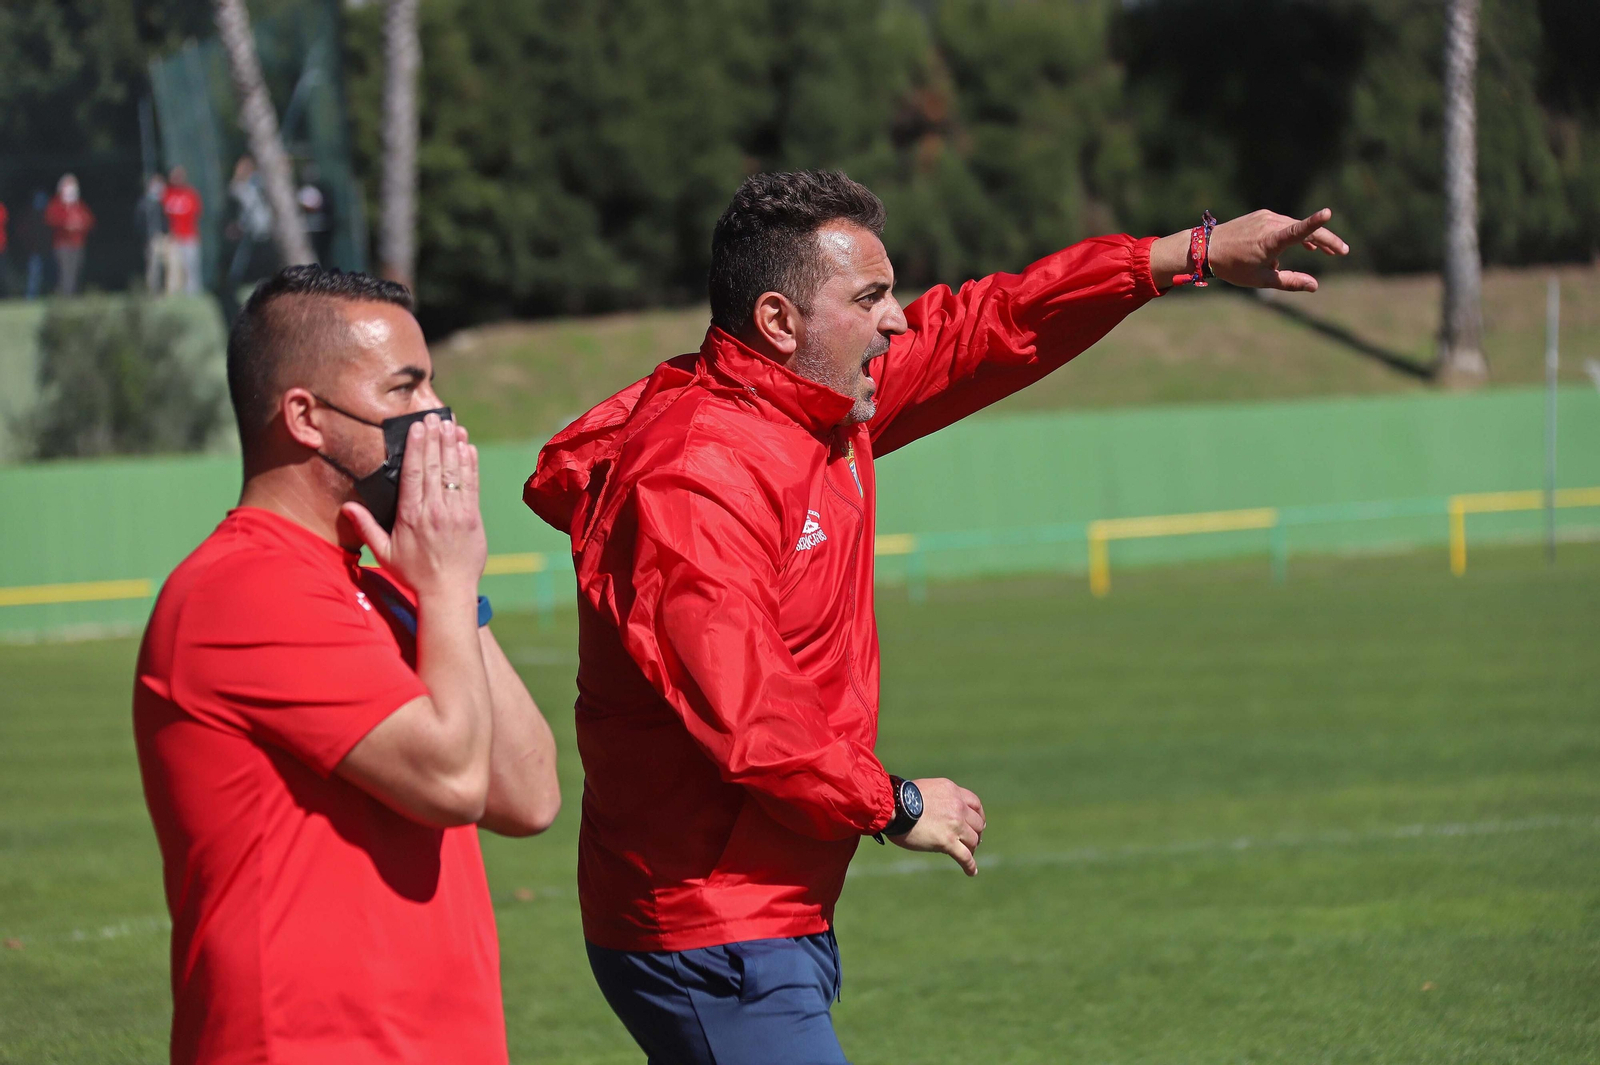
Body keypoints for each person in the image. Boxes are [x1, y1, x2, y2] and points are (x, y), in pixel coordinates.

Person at [524, 170, 1348, 1064]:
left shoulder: (821, 409)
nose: (899, 320)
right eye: (871, 297)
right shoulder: (696, 472)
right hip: (707, 923)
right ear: (777, 322)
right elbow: (747, 708)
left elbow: (990, 328)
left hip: (762, 909)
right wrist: (895, 801)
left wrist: (1184, 254)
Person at [134, 265, 561, 1065]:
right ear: (305, 416)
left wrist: (452, 595)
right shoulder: (244, 585)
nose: (435, 416)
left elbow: (529, 793)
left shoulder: (382, 582)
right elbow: (451, 781)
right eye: (405, 390)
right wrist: (444, 585)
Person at [227, 155, 274, 289]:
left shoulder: (258, 182)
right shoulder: (237, 187)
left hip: (264, 226)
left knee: (263, 256)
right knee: (243, 256)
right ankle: (236, 281)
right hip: (248, 228)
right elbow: (236, 199)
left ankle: (263, 278)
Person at [44, 173, 94, 295]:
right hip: (62, 243)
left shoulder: (79, 205)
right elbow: (50, 219)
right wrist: (66, 224)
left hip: (78, 243)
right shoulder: (56, 204)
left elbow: (89, 220)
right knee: (65, 271)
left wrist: (79, 225)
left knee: (76, 270)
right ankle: (66, 296)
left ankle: (73, 294)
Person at [162, 166, 204, 295]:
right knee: (174, 267)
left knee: (191, 265)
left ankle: (193, 291)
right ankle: (175, 291)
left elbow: (197, 213)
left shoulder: (191, 194)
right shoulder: (166, 194)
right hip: (173, 237)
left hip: (190, 235)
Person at [136, 174, 168, 294]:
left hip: (165, 237)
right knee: (153, 266)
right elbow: (139, 223)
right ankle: (153, 291)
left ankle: (168, 291)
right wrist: (145, 238)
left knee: (168, 265)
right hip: (151, 238)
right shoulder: (143, 204)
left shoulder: (163, 201)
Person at [19, 191, 51, 299]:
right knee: (34, 275)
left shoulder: (48, 216)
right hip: (35, 251)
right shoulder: (30, 217)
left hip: (48, 250)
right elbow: (25, 233)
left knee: (48, 275)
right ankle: (31, 297)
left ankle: (48, 294)